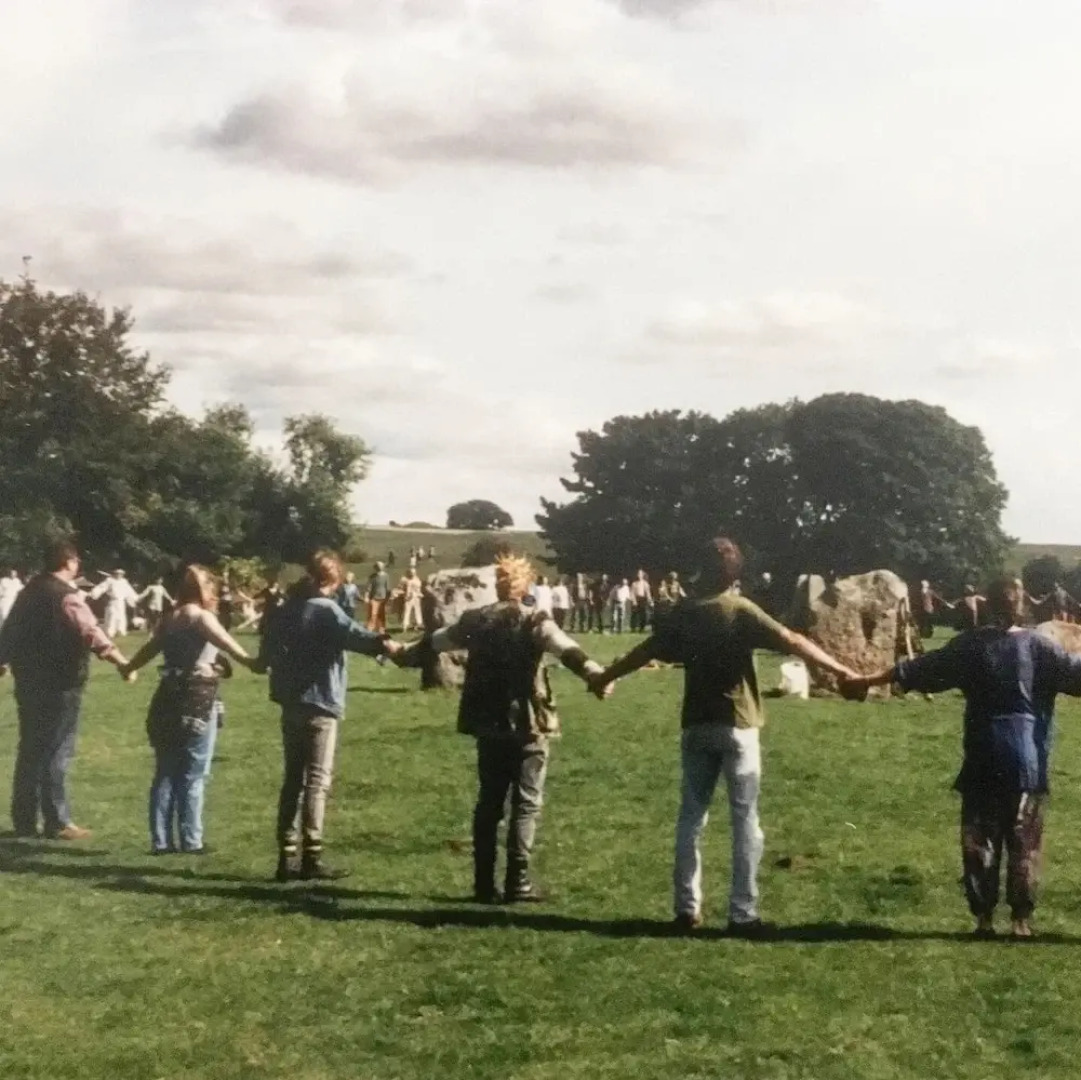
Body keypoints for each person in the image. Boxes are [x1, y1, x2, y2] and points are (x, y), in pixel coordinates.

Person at [590, 537, 858, 936]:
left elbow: (645, 651)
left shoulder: (684, 612)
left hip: (696, 723)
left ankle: (686, 908)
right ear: (735, 573)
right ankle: (742, 912)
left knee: (690, 818)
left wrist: (605, 676)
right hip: (738, 722)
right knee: (745, 819)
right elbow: (794, 641)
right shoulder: (740, 609)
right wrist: (844, 671)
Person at [842, 577, 1081, 939]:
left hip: (984, 755)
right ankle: (1020, 921)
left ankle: (983, 919)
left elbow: (917, 670)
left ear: (987, 604)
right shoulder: (1041, 648)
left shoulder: (969, 647)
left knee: (980, 843)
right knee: (1024, 845)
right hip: (1027, 760)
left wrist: (864, 681)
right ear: (1022, 607)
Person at [396, 553, 610, 904]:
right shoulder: (534, 620)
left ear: (497, 584)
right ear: (525, 585)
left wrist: (400, 653)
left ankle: (483, 883)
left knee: (489, 802)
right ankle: (518, 881)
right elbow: (566, 650)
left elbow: (434, 643)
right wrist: (595, 675)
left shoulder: (475, 620)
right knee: (525, 804)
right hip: (528, 722)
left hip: (487, 722)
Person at [256, 550, 402, 881]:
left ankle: (285, 854)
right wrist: (388, 645)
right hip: (320, 701)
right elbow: (358, 637)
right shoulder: (325, 610)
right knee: (317, 780)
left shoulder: (288, 609)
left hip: (290, 702)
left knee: (292, 778)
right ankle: (312, 855)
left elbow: (267, 648)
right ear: (332, 580)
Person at [0, 540, 130, 839]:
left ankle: (24, 820)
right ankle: (57, 820)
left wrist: (2, 659)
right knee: (56, 749)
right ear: (69, 562)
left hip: (29, 680)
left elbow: (9, 630)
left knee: (30, 749)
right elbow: (90, 632)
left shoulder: (27, 592)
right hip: (61, 682)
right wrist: (121, 661)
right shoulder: (67, 596)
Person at [121, 566, 255, 854]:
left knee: (165, 771)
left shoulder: (169, 619)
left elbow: (148, 651)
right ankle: (191, 840)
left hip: (166, 696)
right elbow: (225, 642)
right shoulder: (201, 617)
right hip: (197, 697)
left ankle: (160, 841)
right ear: (205, 589)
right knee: (194, 771)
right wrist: (250, 661)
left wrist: (128, 667)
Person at [91, 569, 138, 638]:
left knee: (121, 617)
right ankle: (110, 633)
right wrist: (94, 593)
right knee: (112, 617)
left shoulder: (124, 582)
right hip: (113, 602)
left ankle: (120, 631)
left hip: (121, 603)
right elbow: (101, 587)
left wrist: (135, 598)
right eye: (117, 573)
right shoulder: (109, 581)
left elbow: (129, 591)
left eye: (121, 574)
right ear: (115, 574)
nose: (119, 575)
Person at [365, 561, 391, 633]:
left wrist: (388, 599)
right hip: (374, 598)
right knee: (373, 614)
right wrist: (366, 597)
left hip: (383, 598)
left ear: (383, 567)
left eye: (381, 566)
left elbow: (388, 588)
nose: (379, 567)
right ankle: (370, 629)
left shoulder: (386, 576)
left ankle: (381, 629)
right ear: (375, 567)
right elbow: (369, 588)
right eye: (378, 566)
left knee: (382, 615)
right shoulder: (372, 577)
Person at [399, 567, 424, 632]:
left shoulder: (417, 580)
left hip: (416, 597)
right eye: (411, 573)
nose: (412, 574)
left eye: (413, 573)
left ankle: (416, 626)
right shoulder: (405, 579)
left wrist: (418, 594)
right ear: (409, 573)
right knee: (407, 612)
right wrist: (404, 594)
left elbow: (419, 589)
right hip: (408, 598)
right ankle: (405, 626)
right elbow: (400, 588)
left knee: (416, 611)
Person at [0, 569, 24, 634]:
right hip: (5, 600)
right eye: (12, 573)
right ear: (9, 574)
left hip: (13, 600)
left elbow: (22, 589)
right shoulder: (3, 580)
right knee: (5, 615)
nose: (13, 575)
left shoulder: (17, 581)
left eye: (14, 574)